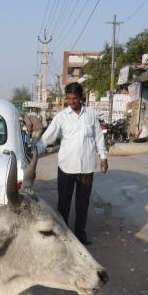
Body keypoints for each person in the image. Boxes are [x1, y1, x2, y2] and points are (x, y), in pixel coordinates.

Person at [37, 82, 108, 245]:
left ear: (81, 97)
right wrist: (36, 152)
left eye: (74, 98)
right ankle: (63, 234)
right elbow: (48, 137)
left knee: (82, 203)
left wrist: (103, 157)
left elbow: (98, 137)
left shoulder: (90, 114)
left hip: (86, 167)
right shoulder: (61, 116)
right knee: (64, 202)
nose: (71, 101)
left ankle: (80, 235)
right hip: (66, 166)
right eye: (68, 98)